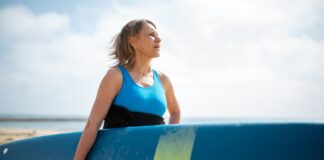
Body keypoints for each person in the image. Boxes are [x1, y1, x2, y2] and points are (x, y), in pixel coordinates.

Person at [73, 19, 181, 160]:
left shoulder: (163, 80)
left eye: (158, 35)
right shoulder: (116, 76)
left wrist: (168, 147)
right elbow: (93, 124)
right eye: (151, 35)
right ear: (133, 41)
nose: (158, 39)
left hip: (152, 155)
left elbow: (176, 112)